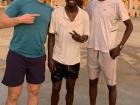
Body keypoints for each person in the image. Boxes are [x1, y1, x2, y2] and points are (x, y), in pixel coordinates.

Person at [0, 0, 53, 105]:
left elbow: (52, 33)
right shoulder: (20, 2)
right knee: (14, 96)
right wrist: (20, 19)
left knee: (34, 92)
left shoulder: (51, 10)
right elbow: (1, 23)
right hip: (17, 56)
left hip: (38, 57)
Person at [86, 0, 133, 105]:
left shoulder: (117, 3)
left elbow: (130, 26)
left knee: (111, 85)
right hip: (92, 49)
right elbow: (85, 20)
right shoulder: (92, 3)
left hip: (108, 51)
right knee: (92, 82)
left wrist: (119, 47)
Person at [48, 0, 89, 105]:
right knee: (55, 89)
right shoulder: (56, 13)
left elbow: (86, 36)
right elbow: (51, 36)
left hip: (74, 60)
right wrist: (50, 59)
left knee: (70, 89)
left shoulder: (84, 15)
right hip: (57, 59)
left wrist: (80, 38)